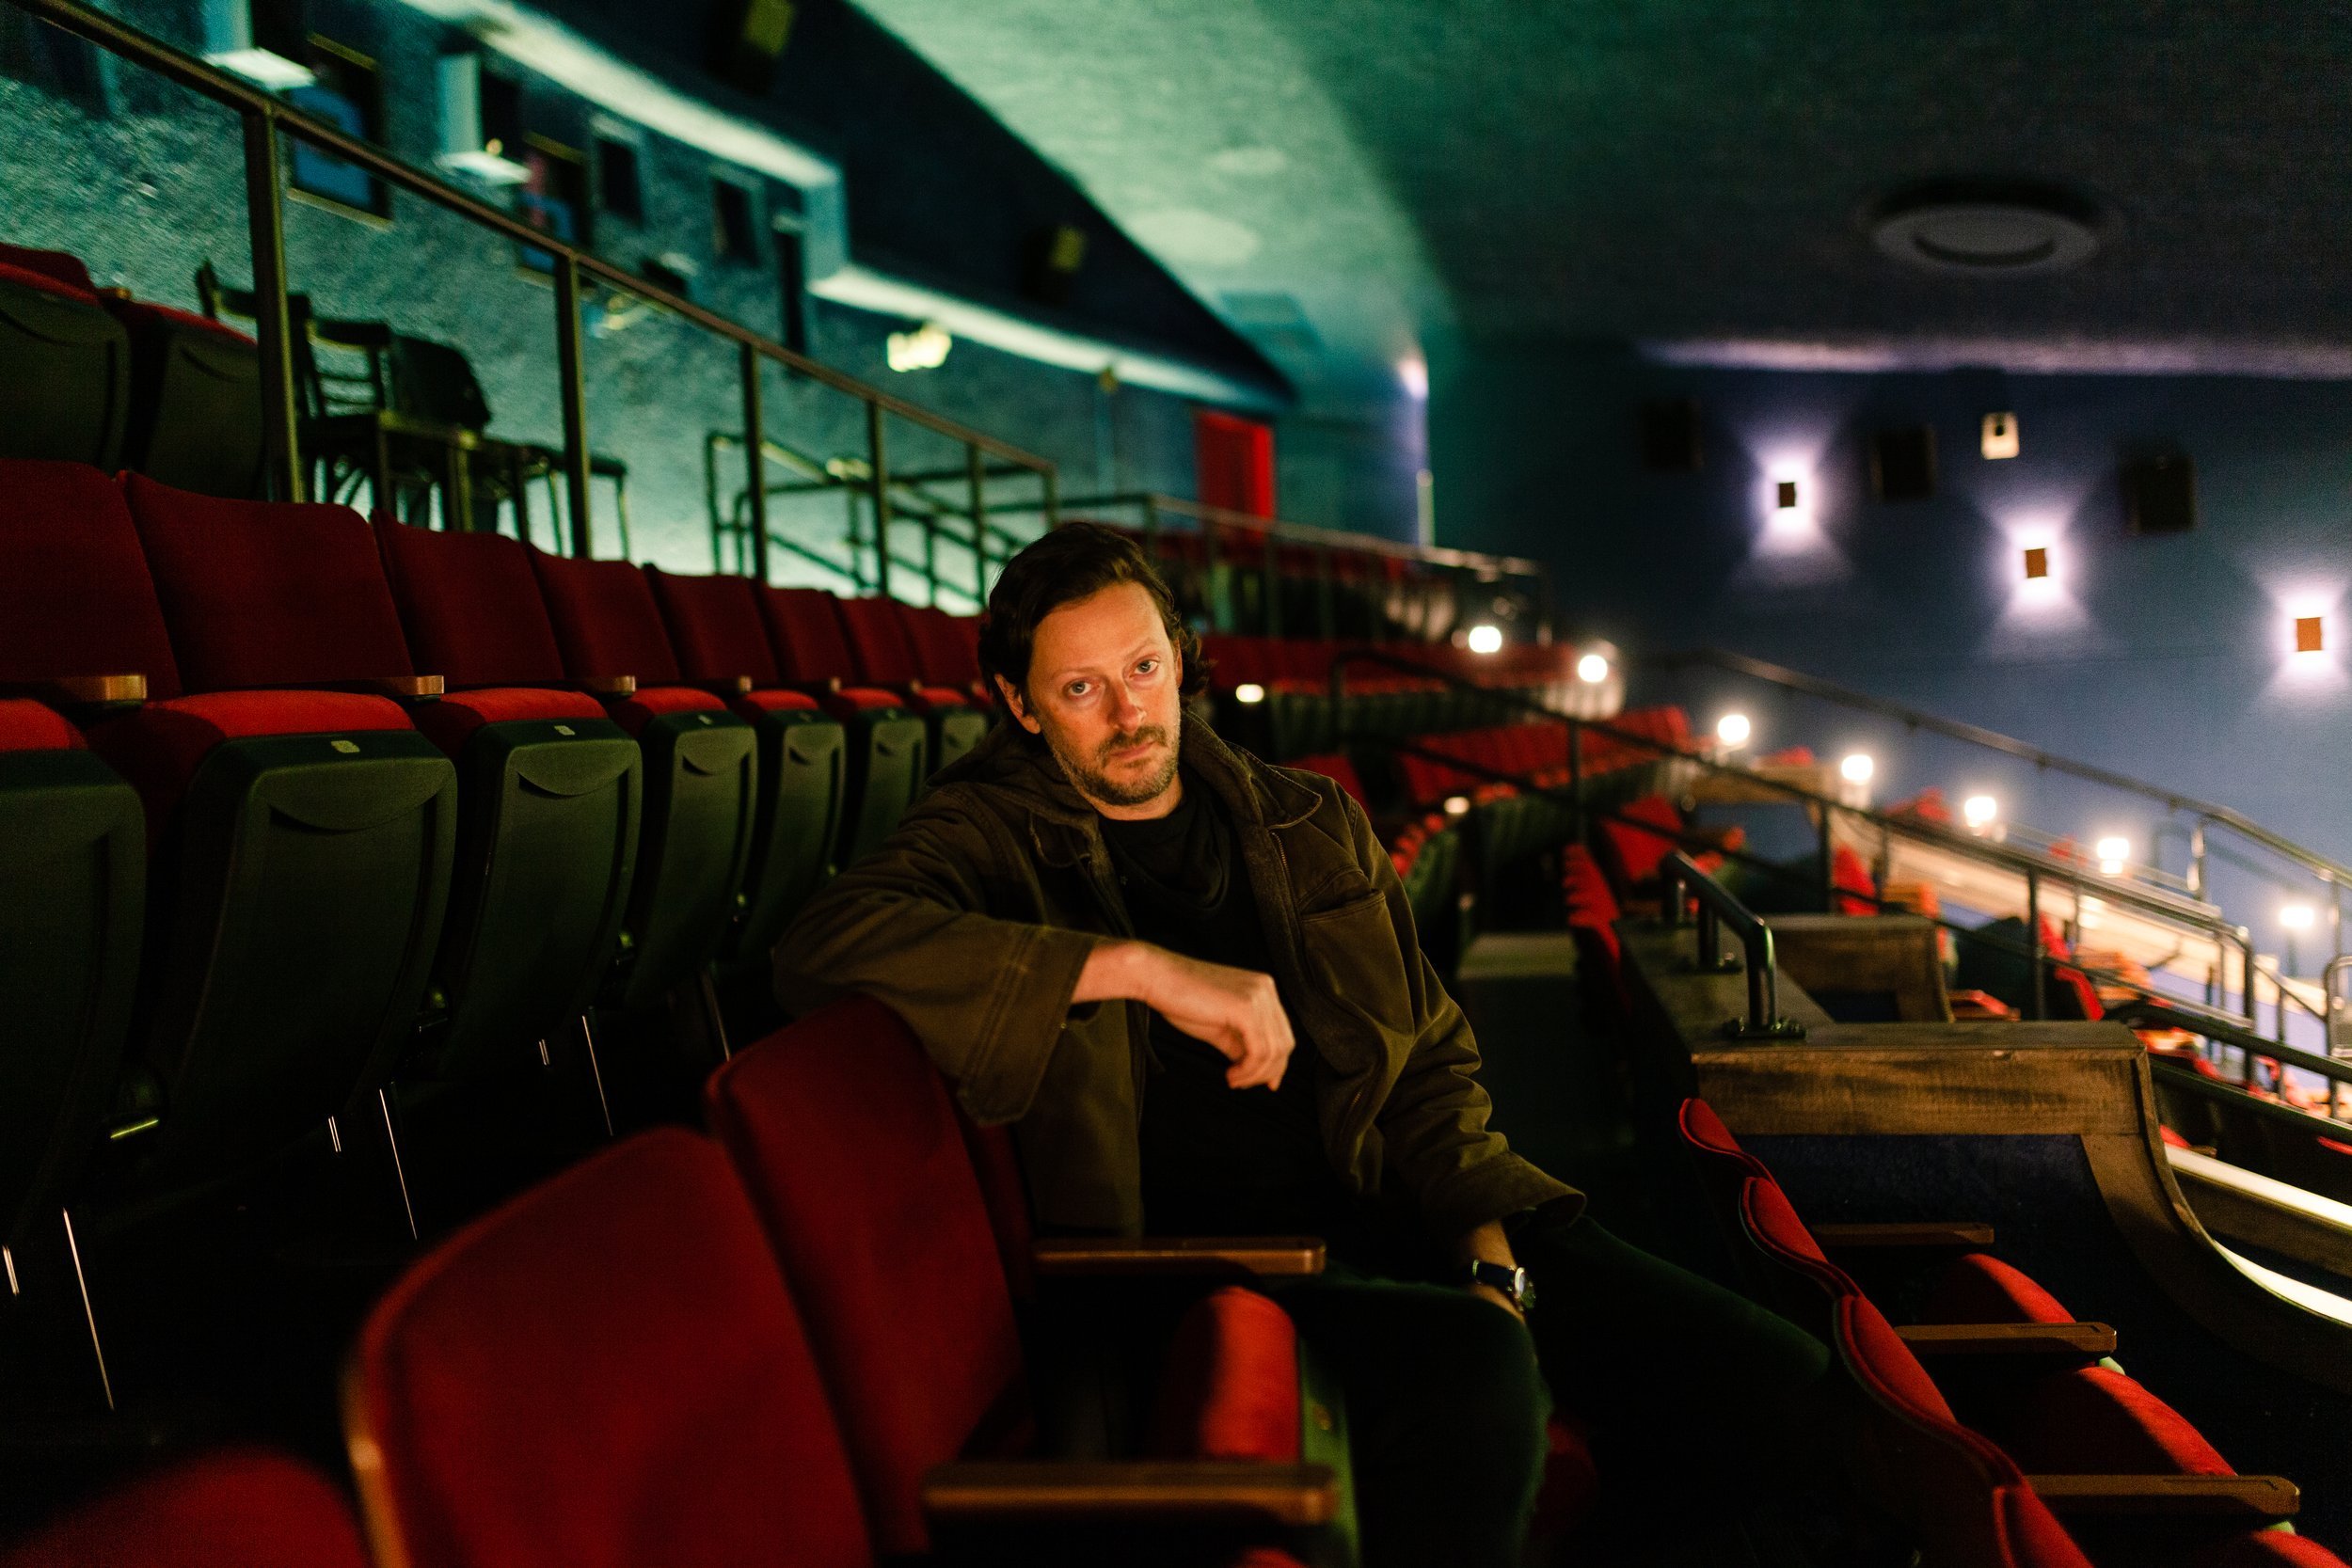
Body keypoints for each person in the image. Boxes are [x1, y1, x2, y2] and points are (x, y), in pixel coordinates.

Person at [774, 524, 1828, 1566]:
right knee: (1476, 1377)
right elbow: (820, 944)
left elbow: (1427, 1066)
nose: (1130, 711)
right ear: (1018, 702)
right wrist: (1136, 967)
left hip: (1395, 1202)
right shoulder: (988, 834)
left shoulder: (1307, 819)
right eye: (1080, 688)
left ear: (1182, 659)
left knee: (1776, 1387)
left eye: (1143, 668)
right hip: (1197, 1261)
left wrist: (1490, 1258)